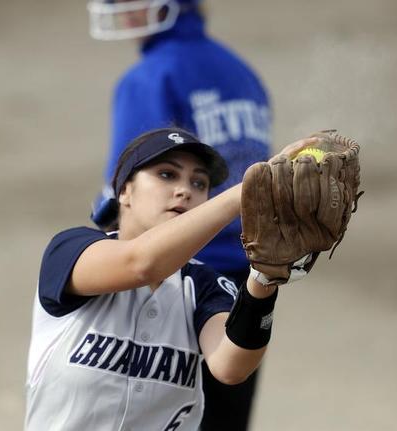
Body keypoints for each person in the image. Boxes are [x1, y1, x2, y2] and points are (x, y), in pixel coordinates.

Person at [24, 128, 313, 430]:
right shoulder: (71, 251)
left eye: (199, 183)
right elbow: (140, 263)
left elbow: (231, 366)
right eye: (166, 175)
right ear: (125, 191)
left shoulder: (203, 285)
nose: (185, 190)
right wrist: (248, 191)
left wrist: (263, 279)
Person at [87, 1, 272, 428]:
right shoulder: (244, 73)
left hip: (168, 273)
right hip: (244, 275)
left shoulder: (148, 77)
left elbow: (124, 184)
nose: (121, 8)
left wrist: (102, 229)